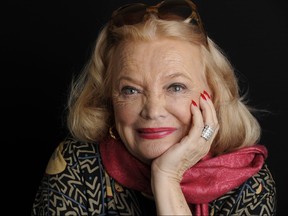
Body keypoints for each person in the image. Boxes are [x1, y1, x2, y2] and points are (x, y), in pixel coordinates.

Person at [31, 0, 277, 215]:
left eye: (176, 87)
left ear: (212, 95)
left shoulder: (248, 182)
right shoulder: (77, 166)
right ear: (109, 97)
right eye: (131, 90)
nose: (153, 110)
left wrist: (166, 178)